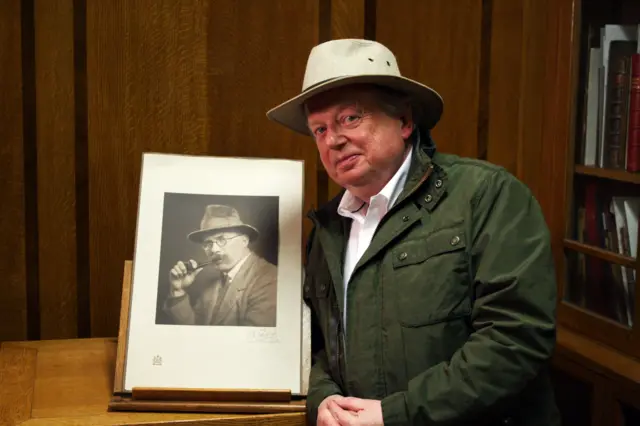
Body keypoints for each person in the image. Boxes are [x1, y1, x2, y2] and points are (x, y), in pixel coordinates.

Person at [266, 39, 560, 426]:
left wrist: (395, 415)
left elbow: (516, 340)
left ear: (404, 121)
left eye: (350, 119)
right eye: (319, 129)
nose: (333, 140)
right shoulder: (327, 229)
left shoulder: (486, 195)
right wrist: (324, 399)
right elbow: (319, 346)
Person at [163, 204, 277, 327]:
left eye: (222, 240)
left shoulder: (269, 279)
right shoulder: (213, 286)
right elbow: (193, 328)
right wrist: (177, 290)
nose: (214, 250)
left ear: (244, 241)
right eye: (208, 243)